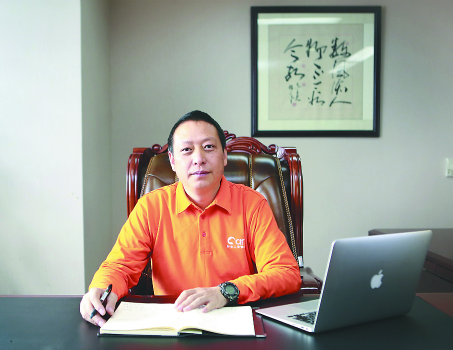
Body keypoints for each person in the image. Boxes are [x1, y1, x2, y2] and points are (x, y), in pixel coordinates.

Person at [80, 110, 301, 326]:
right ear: (172, 161)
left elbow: (285, 273)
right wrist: (100, 289)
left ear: (224, 155)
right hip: (171, 324)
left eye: (209, 147)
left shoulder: (251, 204)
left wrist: (225, 292)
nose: (199, 159)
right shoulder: (151, 207)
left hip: (235, 323)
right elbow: (120, 266)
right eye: (187, 150)